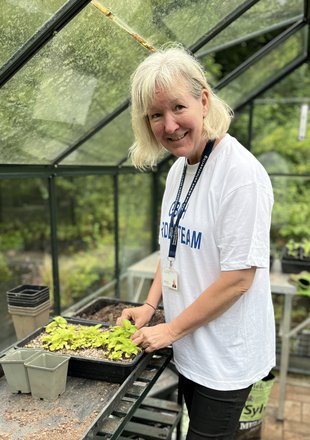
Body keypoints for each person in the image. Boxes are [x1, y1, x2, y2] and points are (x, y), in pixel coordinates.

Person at [117, 45, 275, 440]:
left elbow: (239, 279)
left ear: (203, 101)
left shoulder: (239, 175)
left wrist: (168, 331)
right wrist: (150, 306)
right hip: (190, 348)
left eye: (177, 107)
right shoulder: (178, 172)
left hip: (225, 360)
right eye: (155, 115)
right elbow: (172, 248)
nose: (169, 125)